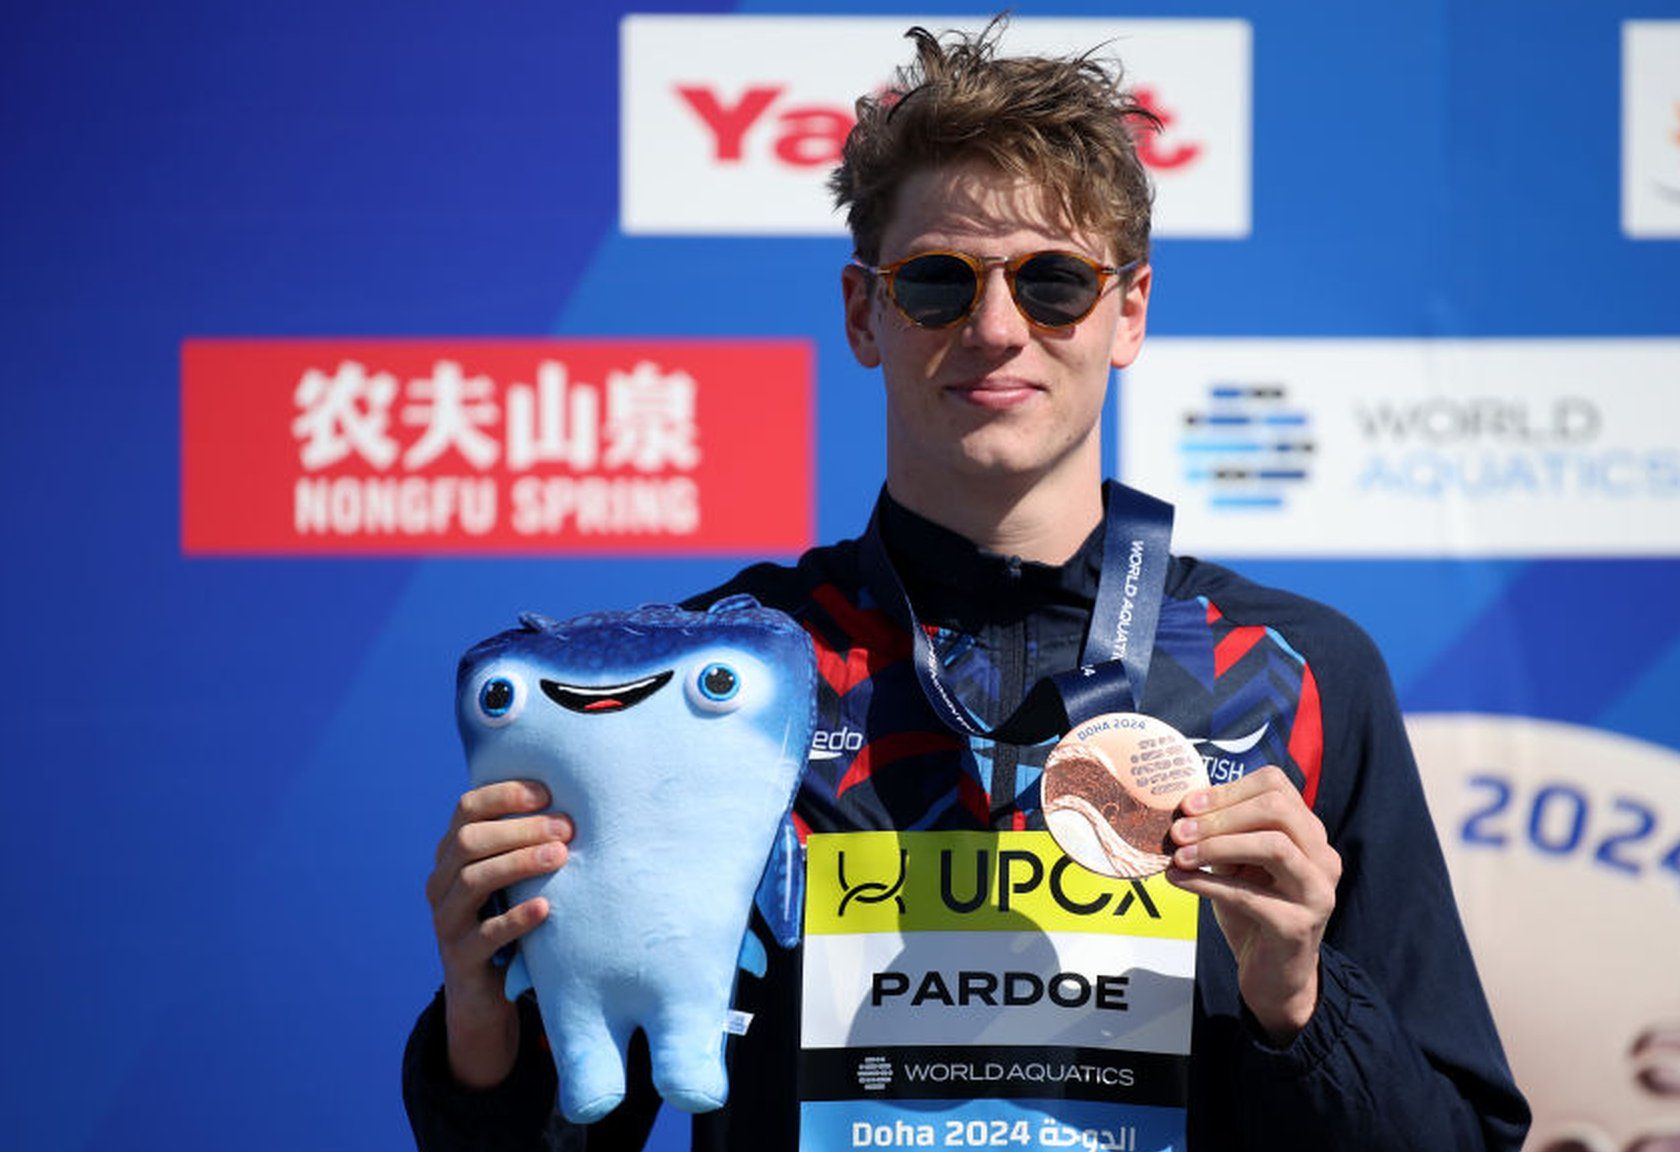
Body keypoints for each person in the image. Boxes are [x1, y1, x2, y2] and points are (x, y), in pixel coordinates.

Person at [405, 20, 1530, 1152]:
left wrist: (1299, 997)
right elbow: (565, 1131)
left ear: (1126, 311)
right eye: (938, 283)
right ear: (863, 313)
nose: (996, 329)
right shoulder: (707, 682)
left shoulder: (1295, 673)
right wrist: (479, 1020)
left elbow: (1459, 1137)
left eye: (1053, 283)